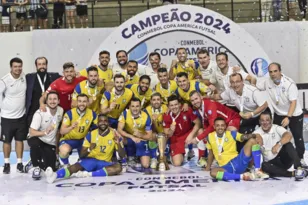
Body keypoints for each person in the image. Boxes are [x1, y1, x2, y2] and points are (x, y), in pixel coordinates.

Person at [45, 114, 125, 183]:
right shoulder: (91, 134)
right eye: (101, 121)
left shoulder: (114, 135)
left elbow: (122, 155)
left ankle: (89, 174)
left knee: (118, 168)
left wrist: (118, 144)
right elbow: (82, 155)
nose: (103, 123)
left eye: (105, 121)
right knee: (75, 167)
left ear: (108, 123)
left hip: (104, 162)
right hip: (91, 160)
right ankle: (55, 175)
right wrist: (89, 149)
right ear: (97, 123)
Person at [257, 62, 307, 168]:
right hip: (279, 113)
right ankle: (279, 158)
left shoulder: (289, 84)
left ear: (280, 71)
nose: (273, 74)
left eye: (275, 71)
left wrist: (288, 117)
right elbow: (254, 83)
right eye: (270, 72)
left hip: (294, 114)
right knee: (277, 135)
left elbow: (293, 102)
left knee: (297, 136)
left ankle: (300, 159)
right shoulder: (267, 82)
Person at [189, 90, 240, 166]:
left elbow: (213, 126)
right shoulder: (199, 108)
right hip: (220, 124)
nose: (195, 102)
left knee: (229, 132)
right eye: (192, 100)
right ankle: (203, 158)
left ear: (201, 97)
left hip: (231, 119)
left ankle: (232, 159)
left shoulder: (209, 105)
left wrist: (197, 138)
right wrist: (204, 134)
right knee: (201, 131)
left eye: (196, 99)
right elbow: (206, 121)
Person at [254, 111, 308, 180]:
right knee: (264, 166)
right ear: (259, 121)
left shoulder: (276, 128)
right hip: (271, 163)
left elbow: (288, 135)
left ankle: (299, 168)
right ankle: (292, 173)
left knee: (288, 144)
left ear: (271, 120)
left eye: (267, 120)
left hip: (284, 159)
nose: (265, 123)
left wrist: (278, 144)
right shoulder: (256, 133)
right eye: (262, 120)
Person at [28, 91, 63, 179]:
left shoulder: (60, 110)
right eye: (50, 99)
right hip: (38, 139)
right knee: (35, 143)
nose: (52, 101)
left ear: (58, 101)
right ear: (46, 101)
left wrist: (56, 151)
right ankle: (35, 166)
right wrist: (44, 132)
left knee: (51, 168)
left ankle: (36, 162)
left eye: (55, 99)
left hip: (50, 143)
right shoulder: (40, 113)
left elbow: (58, 130)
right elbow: (31, 132)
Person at [0, 58, 27, 174]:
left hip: (21, 116)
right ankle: (6, 163)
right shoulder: (4, 80)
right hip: (7, 117)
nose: (18, 69)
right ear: (11, 67)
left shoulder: (24, 77)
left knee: (19, 140)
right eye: (15, 66)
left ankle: (20, 163)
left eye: (20, 66)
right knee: (7, 142)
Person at [58, 94, 97, 167]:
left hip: (83, 141)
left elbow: (99, 127)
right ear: (76, 102)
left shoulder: (92, 114)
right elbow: (62, 131)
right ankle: (66, 164)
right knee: (64, 150)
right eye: (80, 101)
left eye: (84, 101)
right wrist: (71, 127)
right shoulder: (69, 113)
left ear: (88, 103)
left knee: (87, 164)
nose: (82, 104)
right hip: (69, 139)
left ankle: (81, 160)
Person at [163, 95, 202, 166]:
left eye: (175, 104)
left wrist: (191, 135)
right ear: (168, 107)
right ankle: (176, 154)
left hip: (188, 133)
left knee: (201, 131)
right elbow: (167, 135)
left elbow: (198, 123)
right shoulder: (166, 115)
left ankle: (202, 158)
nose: (174, 107)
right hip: (176, 139)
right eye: (171, 105)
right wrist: (171, 130)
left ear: (179, 104)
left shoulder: (187, 110)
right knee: (177, 163)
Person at [117, 98, 154, 168]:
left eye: (137, 106)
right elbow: (119, 129)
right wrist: (132, 137)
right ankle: (125, 158)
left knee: (146, 165)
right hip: (130, 139)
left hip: (141, 140)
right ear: (129, 107)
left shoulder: (146, 116)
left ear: (140, 107)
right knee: (119, 137)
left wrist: (140, 135)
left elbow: (150, 136)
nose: (135, 108)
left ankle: (146, 156)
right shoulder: (125, 114)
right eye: (133, 106)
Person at [26, 57, 61, 127]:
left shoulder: (55, 76)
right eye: (39, 64)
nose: (42, 66)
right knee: (33, 135)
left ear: (47, 65)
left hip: (50, 113)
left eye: (44, 64)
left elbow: (67, 78)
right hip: (33, 112)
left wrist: (77, 74)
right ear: (36, 66)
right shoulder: (29, 77)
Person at [145, 92, 169, 169]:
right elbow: (148, 128)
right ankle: (154, 157)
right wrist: (153, 122)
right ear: (151, 101)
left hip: (166, 134)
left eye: (158, 99)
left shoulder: (166, 108)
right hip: (155, 134)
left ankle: (164, 156)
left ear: (161, 100)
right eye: (154, 100)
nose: (156, 102)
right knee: (151, 135)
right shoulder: (147, 110)